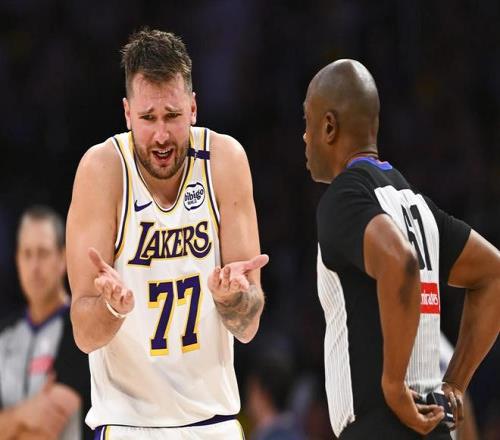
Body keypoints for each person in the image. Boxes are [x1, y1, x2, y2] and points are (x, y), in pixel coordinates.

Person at [66, 28, 268, 439]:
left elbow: (248, 326)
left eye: (172, 116)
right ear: (127, 114)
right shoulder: (103, 170)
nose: (161, 135)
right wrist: (111, 309)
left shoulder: (225, 161)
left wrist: (233, 299)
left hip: (214, 422)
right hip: (129, 423)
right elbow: (84, 335)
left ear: (193, 108)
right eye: (148, 118)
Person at [302, 59, 500, 439]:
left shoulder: (343, 198)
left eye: (307, 122)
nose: (304, 137)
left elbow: (401, 263)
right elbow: (492, 274)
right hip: (432, 428)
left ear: (328, 127)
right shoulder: (418, 206)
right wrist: (455, 384)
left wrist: (393, 386)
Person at [0, 205, 91, 439]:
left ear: (62, 258)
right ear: (17, 260)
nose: (34, 267)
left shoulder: (80, 328)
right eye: (27, 254)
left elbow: (45, 430)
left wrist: (7, 422)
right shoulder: (5, 334)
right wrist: (24, 414)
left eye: (43, 253)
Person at [246, 352, 305, 440]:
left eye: (251, 391)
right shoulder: (294, 429)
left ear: (265, 395)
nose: (247, 399)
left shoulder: (279, 436)